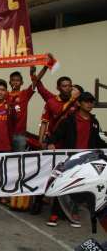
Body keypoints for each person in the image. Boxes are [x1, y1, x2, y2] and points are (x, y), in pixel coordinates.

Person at [45, 92, 107, 228]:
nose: (90, 104)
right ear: (79, 103)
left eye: (92, 101)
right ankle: (54, 213)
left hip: (87, 161)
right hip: (71, 160)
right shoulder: (69, 120)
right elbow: (57, 134)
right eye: (86, 101)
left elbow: (97, 140)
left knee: (79, 187)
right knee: (62, 184)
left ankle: (74, 212)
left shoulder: (94, 122)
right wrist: (51, 143)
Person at [0, 66, 47, 152]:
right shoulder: (5, 94)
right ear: (10, 82)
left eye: (17, 80)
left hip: (19, 135)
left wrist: (45, 67)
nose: (15, 82)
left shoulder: (25, 94)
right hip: (6, 134)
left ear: (22, 82)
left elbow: (36, 81)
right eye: (13, 80)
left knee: (18, 160)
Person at [37, 76, 77, 147]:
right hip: (53, 140)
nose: (67, 88)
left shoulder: (77, 102)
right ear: (58, 88)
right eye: (64, 86)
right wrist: (40, 140)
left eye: (69, 86)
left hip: (71, 140)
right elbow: (44, 122)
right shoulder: (51, 102)